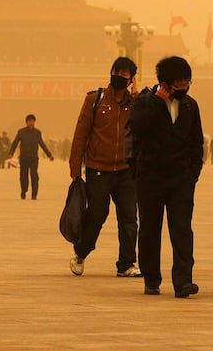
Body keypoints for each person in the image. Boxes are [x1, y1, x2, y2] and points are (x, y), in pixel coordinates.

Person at [129, 56, 204, 298]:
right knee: (150, 230)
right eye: (178, 85)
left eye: (186, 83)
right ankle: (151, 279)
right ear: (165, 83)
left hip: (181, 179)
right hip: (150, 176)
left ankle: (183, 281)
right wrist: (156, 104)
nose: (183, 88)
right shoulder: (145, 101)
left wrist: (192, 173)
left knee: (182, 230)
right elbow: (137, 127)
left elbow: (196, 142)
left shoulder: (191, 106)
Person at [68, 57, 141, 278]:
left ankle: (126, 263)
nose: (119, 76)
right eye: (117, 71)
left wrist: (137, 95)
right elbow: (81, 134)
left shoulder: (134, 104)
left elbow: (148, 119)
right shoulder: (95, 99)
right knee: (97, 215)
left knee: (129, 217)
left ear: (131, 79)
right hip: (98, 168)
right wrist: (75, 166)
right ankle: (81, 252)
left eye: (125, 74)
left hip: (126, 170)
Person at [8, 114, 54, 200]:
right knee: (23, 176)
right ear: (26, 122)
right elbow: (15, 143)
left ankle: (34, 194)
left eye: (33, 121)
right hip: (23, 158)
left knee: (34, 175)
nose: (31, 123)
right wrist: (11, 153)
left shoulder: (37, 133)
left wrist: (49, 155)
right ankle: (24, 190)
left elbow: (42, 144)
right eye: (29, 121)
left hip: (33, 158)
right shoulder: (21, 132)